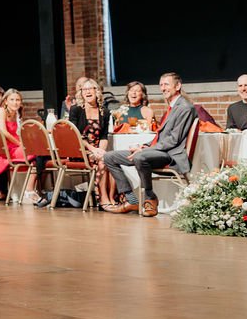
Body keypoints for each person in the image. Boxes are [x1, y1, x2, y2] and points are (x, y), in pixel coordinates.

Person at [103, 72, 197, 217]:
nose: (163, 88)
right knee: (109, 157)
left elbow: (173, 140)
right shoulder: (172, 106)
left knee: (140, 157)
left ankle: (149, 197)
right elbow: (161, 135)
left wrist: (145, 150)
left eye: (166, 84)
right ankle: (131, 199)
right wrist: (144, 146)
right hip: (157, 151)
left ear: (177, 86)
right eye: (161, 85)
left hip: (171, 155)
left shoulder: (184, 107)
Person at [68, 78, 115, 210]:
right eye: (84, 89)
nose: (88, 92)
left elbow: (104, 136)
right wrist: (92, 149)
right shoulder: (76, 109)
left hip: (97, 149)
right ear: (81, 93)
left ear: (96, 91)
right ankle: (103, 199)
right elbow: (75, 135)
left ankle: (112, 198)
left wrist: (100, 150)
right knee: (104, 162)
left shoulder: (104, 111)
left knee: (111, 160)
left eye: (90, 89)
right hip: (81, 149)